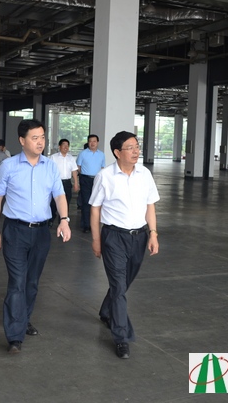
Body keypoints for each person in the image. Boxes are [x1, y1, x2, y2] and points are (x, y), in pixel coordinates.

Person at [0, 119, 71, 354]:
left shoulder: (50, 166)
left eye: (42, 137)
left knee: (32, 282)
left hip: (42, 232)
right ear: (22, 140)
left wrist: (64, 219)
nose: (40, 142)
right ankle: (14, 336)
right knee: (17, 282)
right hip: (15, 231)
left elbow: (59, 195)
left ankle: (23, 319)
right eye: (35, 138)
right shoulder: (9, 166)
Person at [89, 131, 159, 360]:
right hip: (114, 237)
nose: (136, 151)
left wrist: (153, 234)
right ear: (118, 153)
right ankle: (121, 337)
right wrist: (96, 240)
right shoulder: (105, 176)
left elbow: (150, 205)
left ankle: (106, 310)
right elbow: (95, 209)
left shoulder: (144, 174)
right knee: (119, 287)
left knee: (124, 282)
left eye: (137, 146)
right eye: (130, 147)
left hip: (139, 237)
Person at [77, 134, 105, 233]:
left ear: (97, 142)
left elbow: (102, 167)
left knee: (97, 202)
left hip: (97, 180)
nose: (92, 143)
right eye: (90, 141)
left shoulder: (101, 154)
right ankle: (86, 225)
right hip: (85, 179)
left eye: (94, 141)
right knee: (86, 202)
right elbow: (78, 167)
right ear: (88, 142)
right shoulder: (83, 154)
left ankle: (95, 224)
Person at [49, 138, 79, 226]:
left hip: (67, 183)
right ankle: (51, 219)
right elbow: (49, 171)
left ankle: (62, 221)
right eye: (64, 145)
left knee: (66, 201)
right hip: (56, 183)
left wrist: (76, 183)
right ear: (59, 147)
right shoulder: (54, 157)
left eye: (67, 145)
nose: (66, 147)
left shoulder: (71, 158)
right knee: (54, 202)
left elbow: (74, 171)